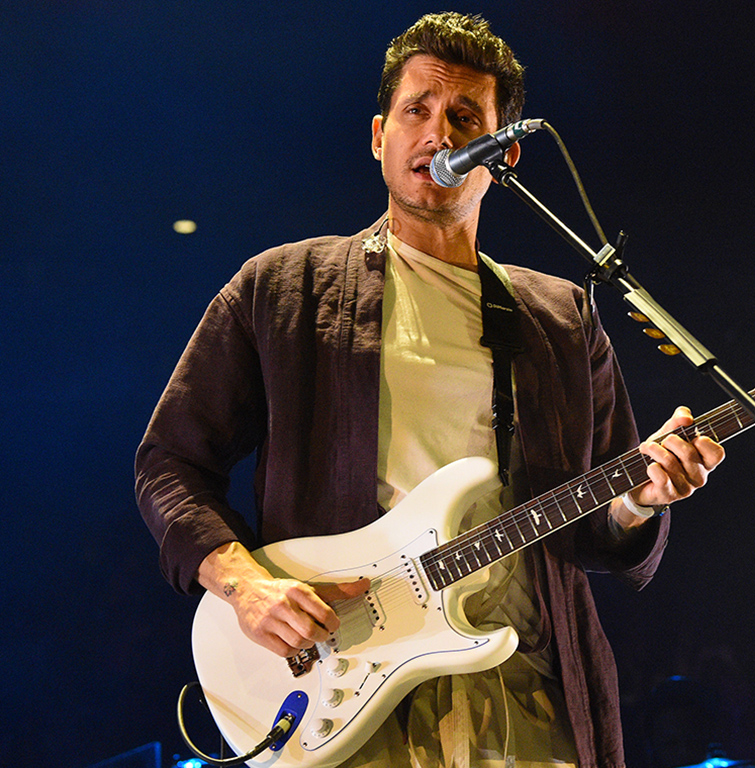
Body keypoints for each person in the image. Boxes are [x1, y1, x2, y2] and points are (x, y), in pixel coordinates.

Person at [136, 12, 724, 768]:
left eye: (465, 118)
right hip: (342, 685)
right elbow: (171, 464)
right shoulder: (284, 288)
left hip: (524, 693)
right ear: (379, 136)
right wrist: (246, 585)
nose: (439, 134)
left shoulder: (561, 319)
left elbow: (599, 531)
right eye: (417, 110)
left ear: (503, 153)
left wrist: (642, 499)